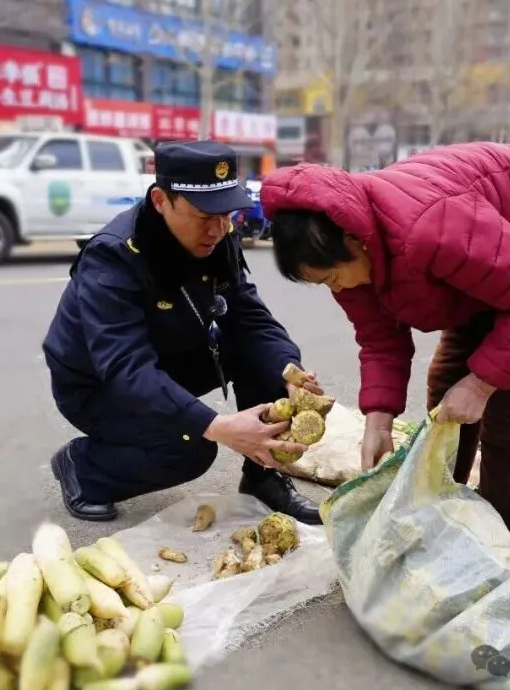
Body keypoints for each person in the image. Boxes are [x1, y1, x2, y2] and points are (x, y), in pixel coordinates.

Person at [261, 143, 510, 535]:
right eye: (323, 283)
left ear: (354, 239)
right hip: (488, 257)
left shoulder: (429, 231)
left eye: (332, 277)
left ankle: (488, 547)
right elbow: (380, 341)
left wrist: (481, 385)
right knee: (447, 394)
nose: (335, 287)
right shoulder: (349, 258)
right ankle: (438, 511)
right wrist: (378, 422)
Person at [42, 140, 322, 525]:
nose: (218, 228)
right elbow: (126, 368)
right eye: (204, 215)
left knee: (267, 360)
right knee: (189, 448)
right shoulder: (115, 256)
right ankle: (84, 468)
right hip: (98, 383)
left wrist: (292, 376)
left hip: (169, 357)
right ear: (160, 200)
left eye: (226, 215)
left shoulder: (219, 236)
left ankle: (263, 479)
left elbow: (251, 320)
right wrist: (218, 427)